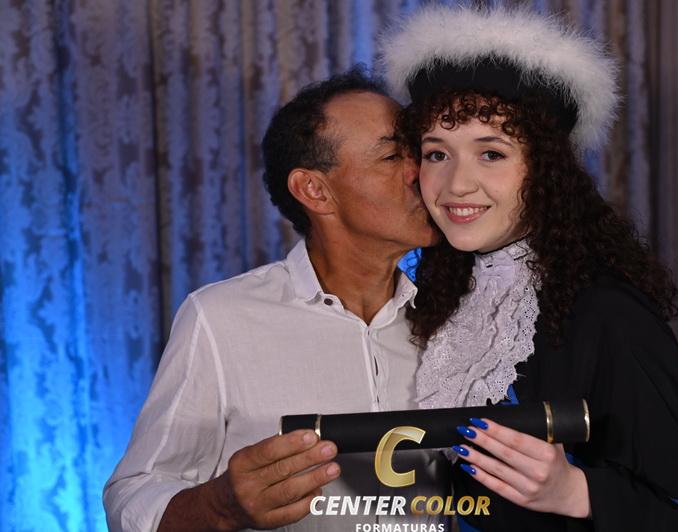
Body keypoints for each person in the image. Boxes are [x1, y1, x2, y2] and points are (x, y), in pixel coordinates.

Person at [380, 5, 678, 531]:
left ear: (546, 170)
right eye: (437, 154)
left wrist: (579, 492)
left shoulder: (605, 314)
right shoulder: (429, 294)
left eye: (492, 154)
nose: (456, 185)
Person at [103, 69, 448, 531]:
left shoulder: (455, 319)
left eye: (418, 151)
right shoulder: (220, 318)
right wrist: (221, 505)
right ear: (315, 191)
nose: (421, 171)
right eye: (391, 156)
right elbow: (132, 494)